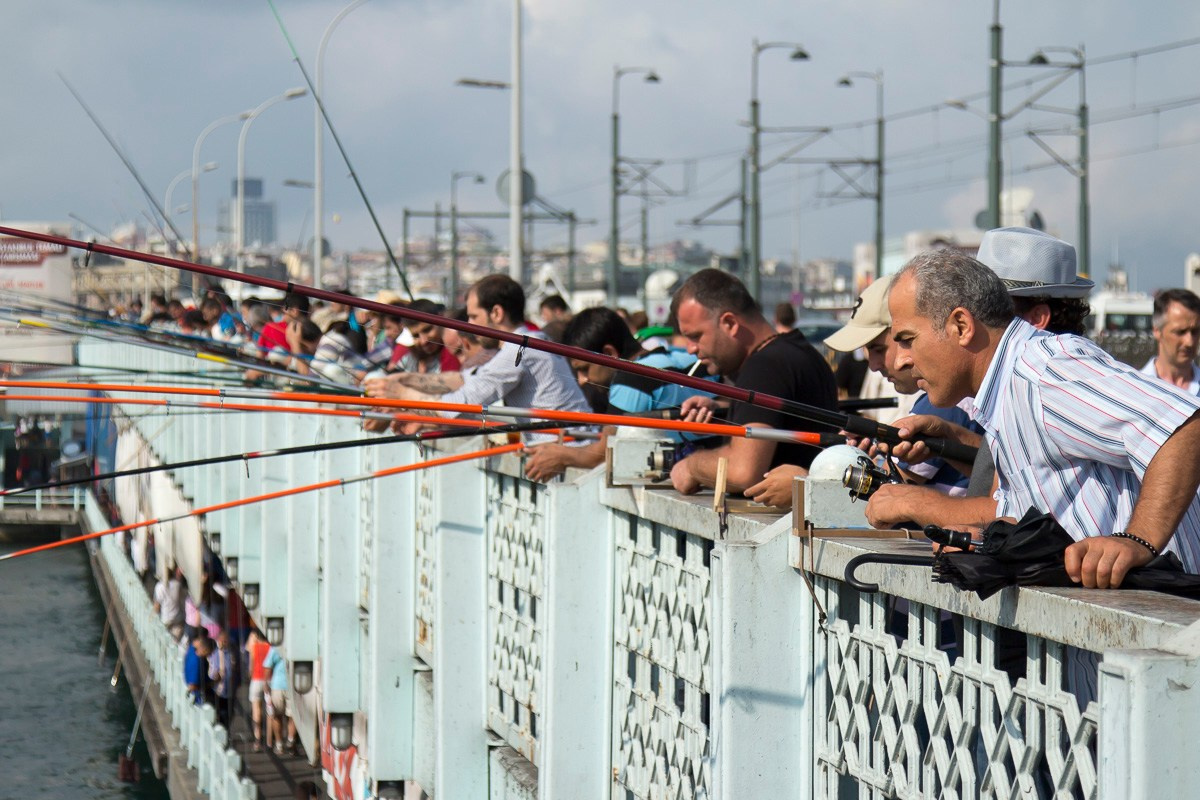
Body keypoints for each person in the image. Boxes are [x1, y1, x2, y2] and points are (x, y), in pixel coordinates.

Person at [887, 247, 1200, 590]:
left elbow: (1184, 426)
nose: (900, 359)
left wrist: (1138, 540)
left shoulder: (1041, 374)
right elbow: (1046, 515)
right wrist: (981, 539)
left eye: (907, 340)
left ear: (961, 325)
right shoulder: (1011, 387)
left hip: (1162, 626)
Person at [861, 227, 1094, 530]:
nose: (974, 322)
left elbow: (1019, 517)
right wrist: (949, 439)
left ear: (1037, 319)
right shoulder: (1017, 385)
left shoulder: (1051, 379)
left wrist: (1139, 541)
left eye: (994, 310)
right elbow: (1011, 496)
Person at [745, 275, 979, 508]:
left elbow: (886, 493)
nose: (873, 365)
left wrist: (805, 486)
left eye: (878, 349)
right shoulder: (943, 398)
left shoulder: (945, 402)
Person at [668, 268, 838, 495]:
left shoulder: (764, 367)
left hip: (784, 527)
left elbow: (743, 472)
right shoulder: (800, 352)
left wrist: (691, 466)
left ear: (729, 323)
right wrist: (722, 409)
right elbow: (783, 418)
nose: (691, 349)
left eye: (696, 336)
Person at [366, 275, 590, 437]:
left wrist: (401, 394)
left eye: (473, 317)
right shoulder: (526, 342)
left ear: (496, 313)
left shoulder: (519, 350)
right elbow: (467, 382)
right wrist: (404, 381)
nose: (470, 326)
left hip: (572, 449)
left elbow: (457, 406)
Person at [523, 306, 713, 481]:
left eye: (585, 369)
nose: (582, 380)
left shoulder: (631, 379)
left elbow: (605, 453)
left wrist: (561, 455)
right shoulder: (687, 357)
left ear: (609, 352)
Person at [1143, 288, 1200, 393]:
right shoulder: (1138, 388)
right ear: (1157, 331)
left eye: (1195, 331)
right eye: (1180, 332)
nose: (1189, 342)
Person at [263, 645, 296, 756]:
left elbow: (268, 666)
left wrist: (266, 684)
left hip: (277, 686)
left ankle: (279, 744)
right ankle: (290, 741)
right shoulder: (296, 645)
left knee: (277, 716)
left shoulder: (276, 647)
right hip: (294, 686)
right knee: (293, 716)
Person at [245, 627, 271, 751]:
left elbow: (251, 665)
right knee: (270, 710)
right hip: (269, 681)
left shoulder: (254, 647)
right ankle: (271, 740)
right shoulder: (271, 647)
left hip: (256, 679)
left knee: (257, 710)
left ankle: (258, 739)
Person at [209, 631, 239, 729]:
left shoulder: (232, 653)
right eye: (222, 641)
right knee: (221, 714)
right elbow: (212, 672)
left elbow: (236, 668)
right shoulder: (215, 654)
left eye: (226, 641)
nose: (224, 643)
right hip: (219, 691)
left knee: (230, 713)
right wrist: (215, 676)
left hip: (230, 690)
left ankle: (227, 731)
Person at [153, 566, 186, 641]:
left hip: (166, 619)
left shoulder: (159, 586)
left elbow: (156, 606)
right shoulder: (178, 584)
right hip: (178, 618)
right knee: (175, 642)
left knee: (164, 642)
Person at [184, 632, 214, 706]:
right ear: (205, 650)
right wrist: (210, 683)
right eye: (209, 652)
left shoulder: (192, 651)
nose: (209, 655)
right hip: (197, 698)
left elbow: (194, 643)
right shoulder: (197, 663)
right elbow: (192, 686)